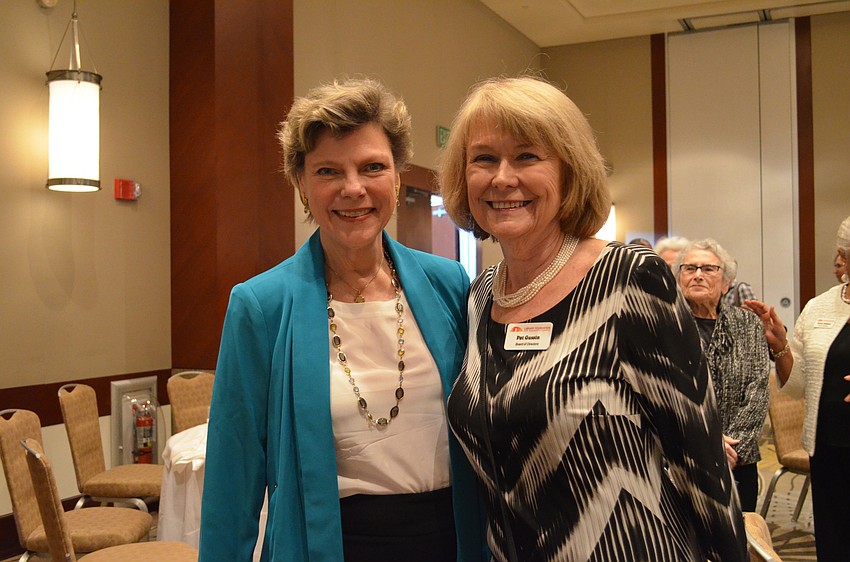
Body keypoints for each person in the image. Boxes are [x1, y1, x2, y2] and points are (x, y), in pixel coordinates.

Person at [439, 76, 746, 562]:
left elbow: (701, 461)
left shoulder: (629, 278)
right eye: (484, 159)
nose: (502, 178)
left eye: (526, 156)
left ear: (569, 170)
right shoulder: (480, 297)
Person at [199, 78, 487, 561]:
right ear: (302, 187)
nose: (353, 189)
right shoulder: (260, 305)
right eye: (328, 170)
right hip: (329, 546)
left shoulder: (449, 284)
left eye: (372, 167)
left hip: (450, 541)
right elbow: (233, 477)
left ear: (396, 179)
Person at [745, 215, 850, 562]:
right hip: (828, 443)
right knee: (834, 535)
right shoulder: (820, 306)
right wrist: (780, 346)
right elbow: (798, 385)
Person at [674, 239, 770, 511]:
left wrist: (729, 447)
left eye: (708, 268)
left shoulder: (747, 323)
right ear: (678, 278)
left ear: (726, 283)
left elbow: (759, 389)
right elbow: (663, 393)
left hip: (737, 457)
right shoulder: (664, 325)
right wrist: (705, 443)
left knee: (737, 541)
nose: (698, 275)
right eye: (689, 268)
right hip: (681, 458)